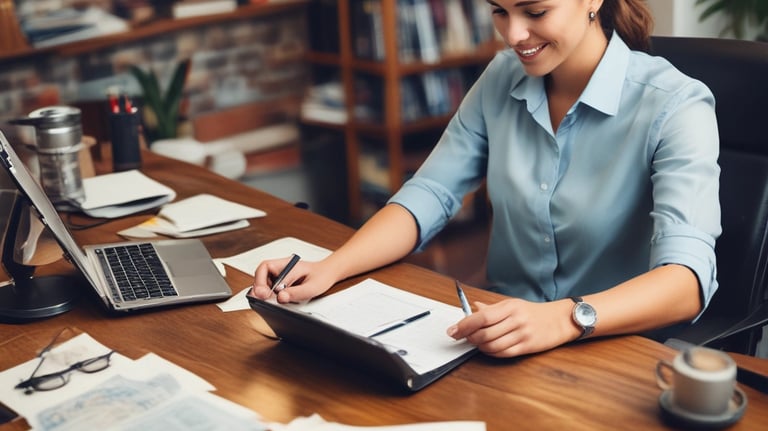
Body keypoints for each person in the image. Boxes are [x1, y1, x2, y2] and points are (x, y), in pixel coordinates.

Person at [250, 0, 721, 358]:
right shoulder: (501, 77)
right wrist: (332, 267)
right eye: (499, 11)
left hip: (612, 347)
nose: (514, 35)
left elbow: (685, 282)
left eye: (534, 10)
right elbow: (431, 192)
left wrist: (565, 318)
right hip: (498, 339)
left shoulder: (676, 106)